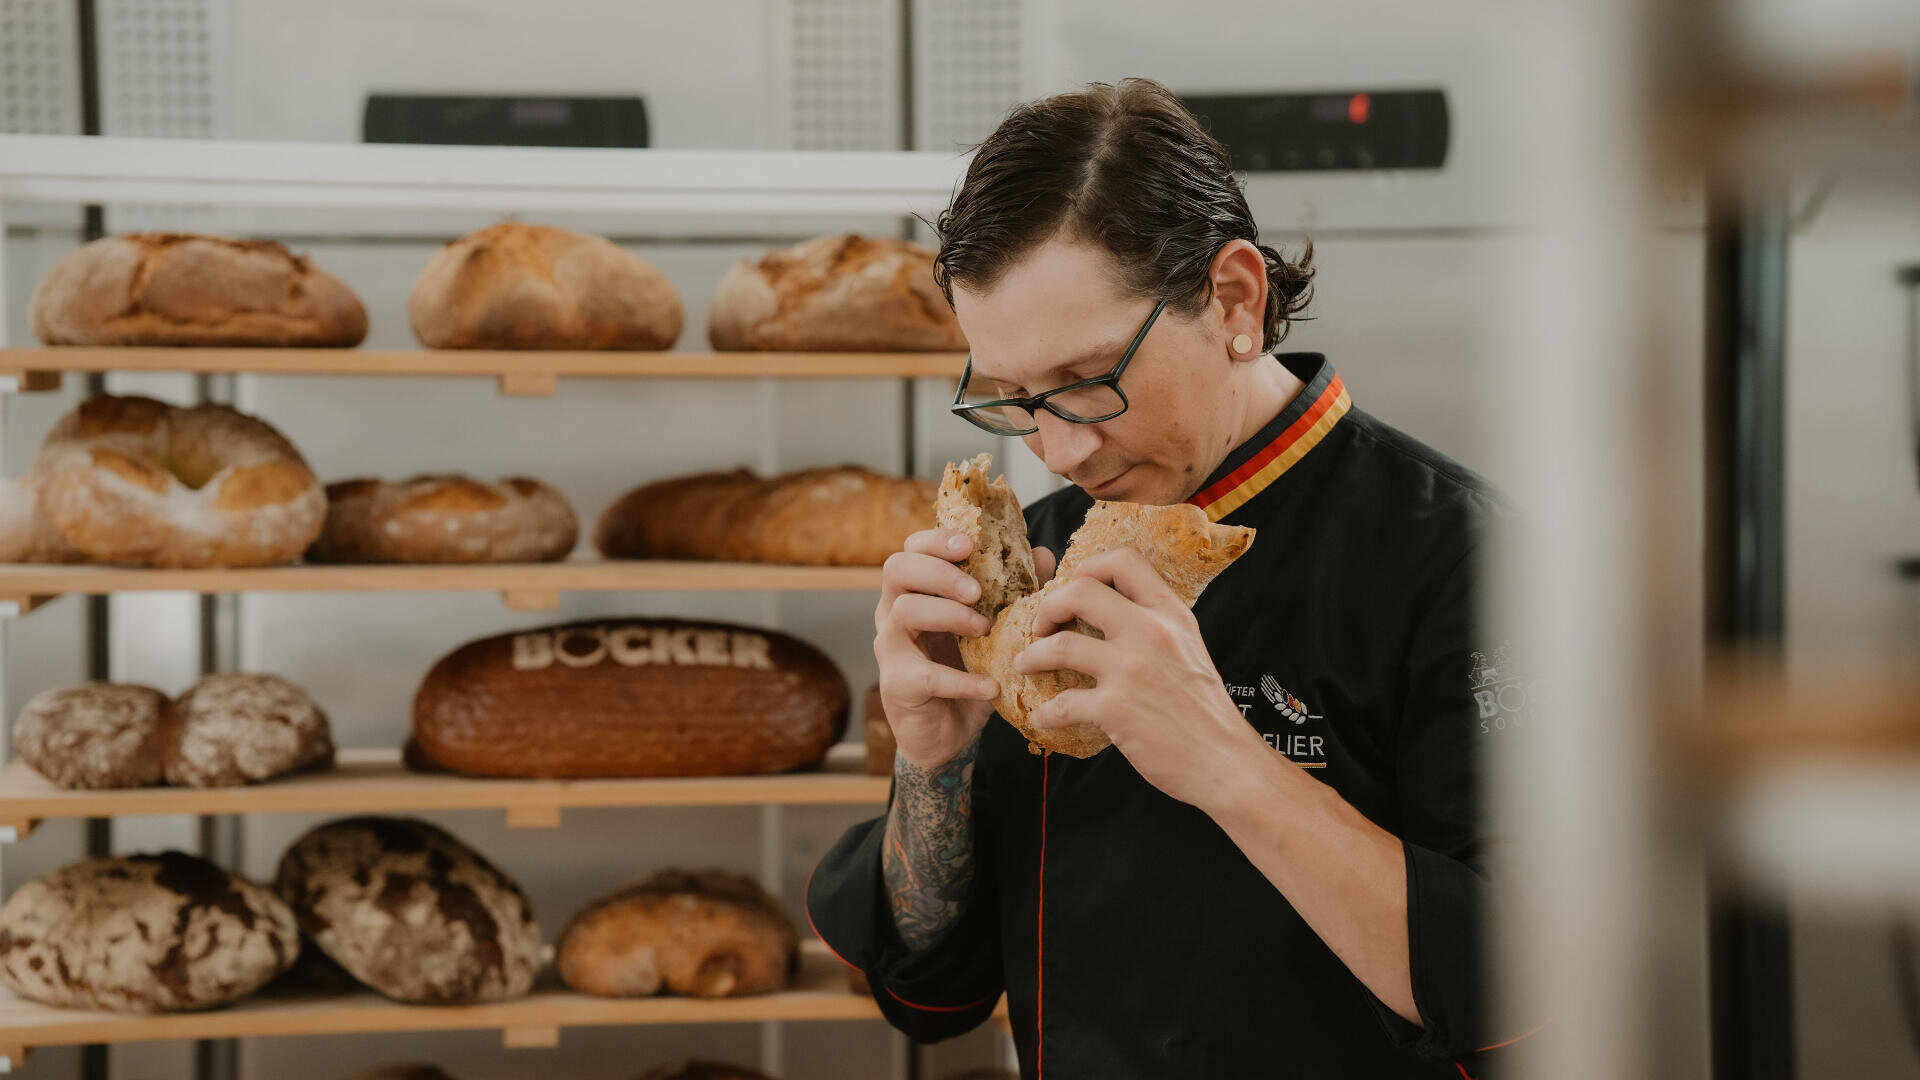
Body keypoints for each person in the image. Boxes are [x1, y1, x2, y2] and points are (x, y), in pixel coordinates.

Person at [806, 77, 1532, 1079]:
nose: (1056, 451)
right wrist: (934, 762)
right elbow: (930, 990)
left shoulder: (1465, 557)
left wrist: (1225, 762)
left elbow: (1528, 988)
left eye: (1091, 382)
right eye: (1013, 398)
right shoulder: (1044, 553)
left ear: (1234, 298)